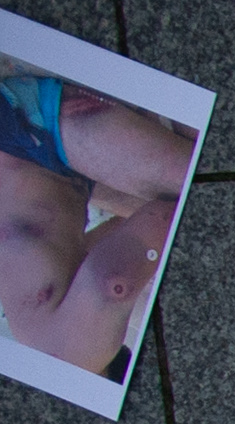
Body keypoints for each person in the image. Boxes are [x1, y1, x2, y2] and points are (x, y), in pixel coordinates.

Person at [0, 71, 196, 378]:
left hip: (23, 129)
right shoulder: (54, 343)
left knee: (195, 182)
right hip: (57, 168)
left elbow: (114, 280)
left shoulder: (73, 356)